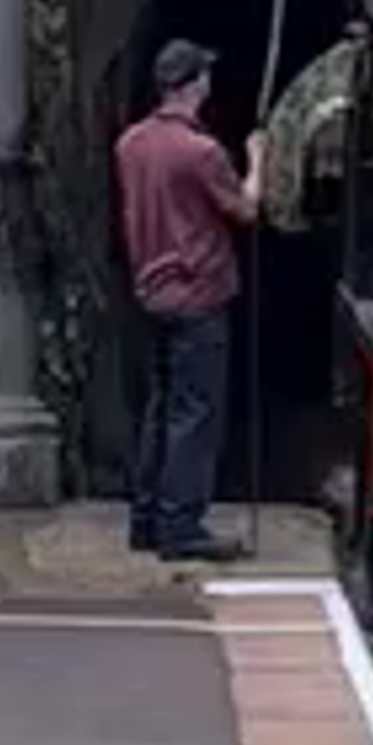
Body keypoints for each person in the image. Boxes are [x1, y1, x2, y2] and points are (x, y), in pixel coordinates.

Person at [114, 39, 256, 562]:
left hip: (152, 294)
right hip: (199, 297)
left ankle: (146, 519)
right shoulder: (202, 152)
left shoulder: (130, 144)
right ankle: (181, 526)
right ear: (196, 84)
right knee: (195, 415)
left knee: (159, 408)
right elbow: (245, 209)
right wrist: (259, 158)